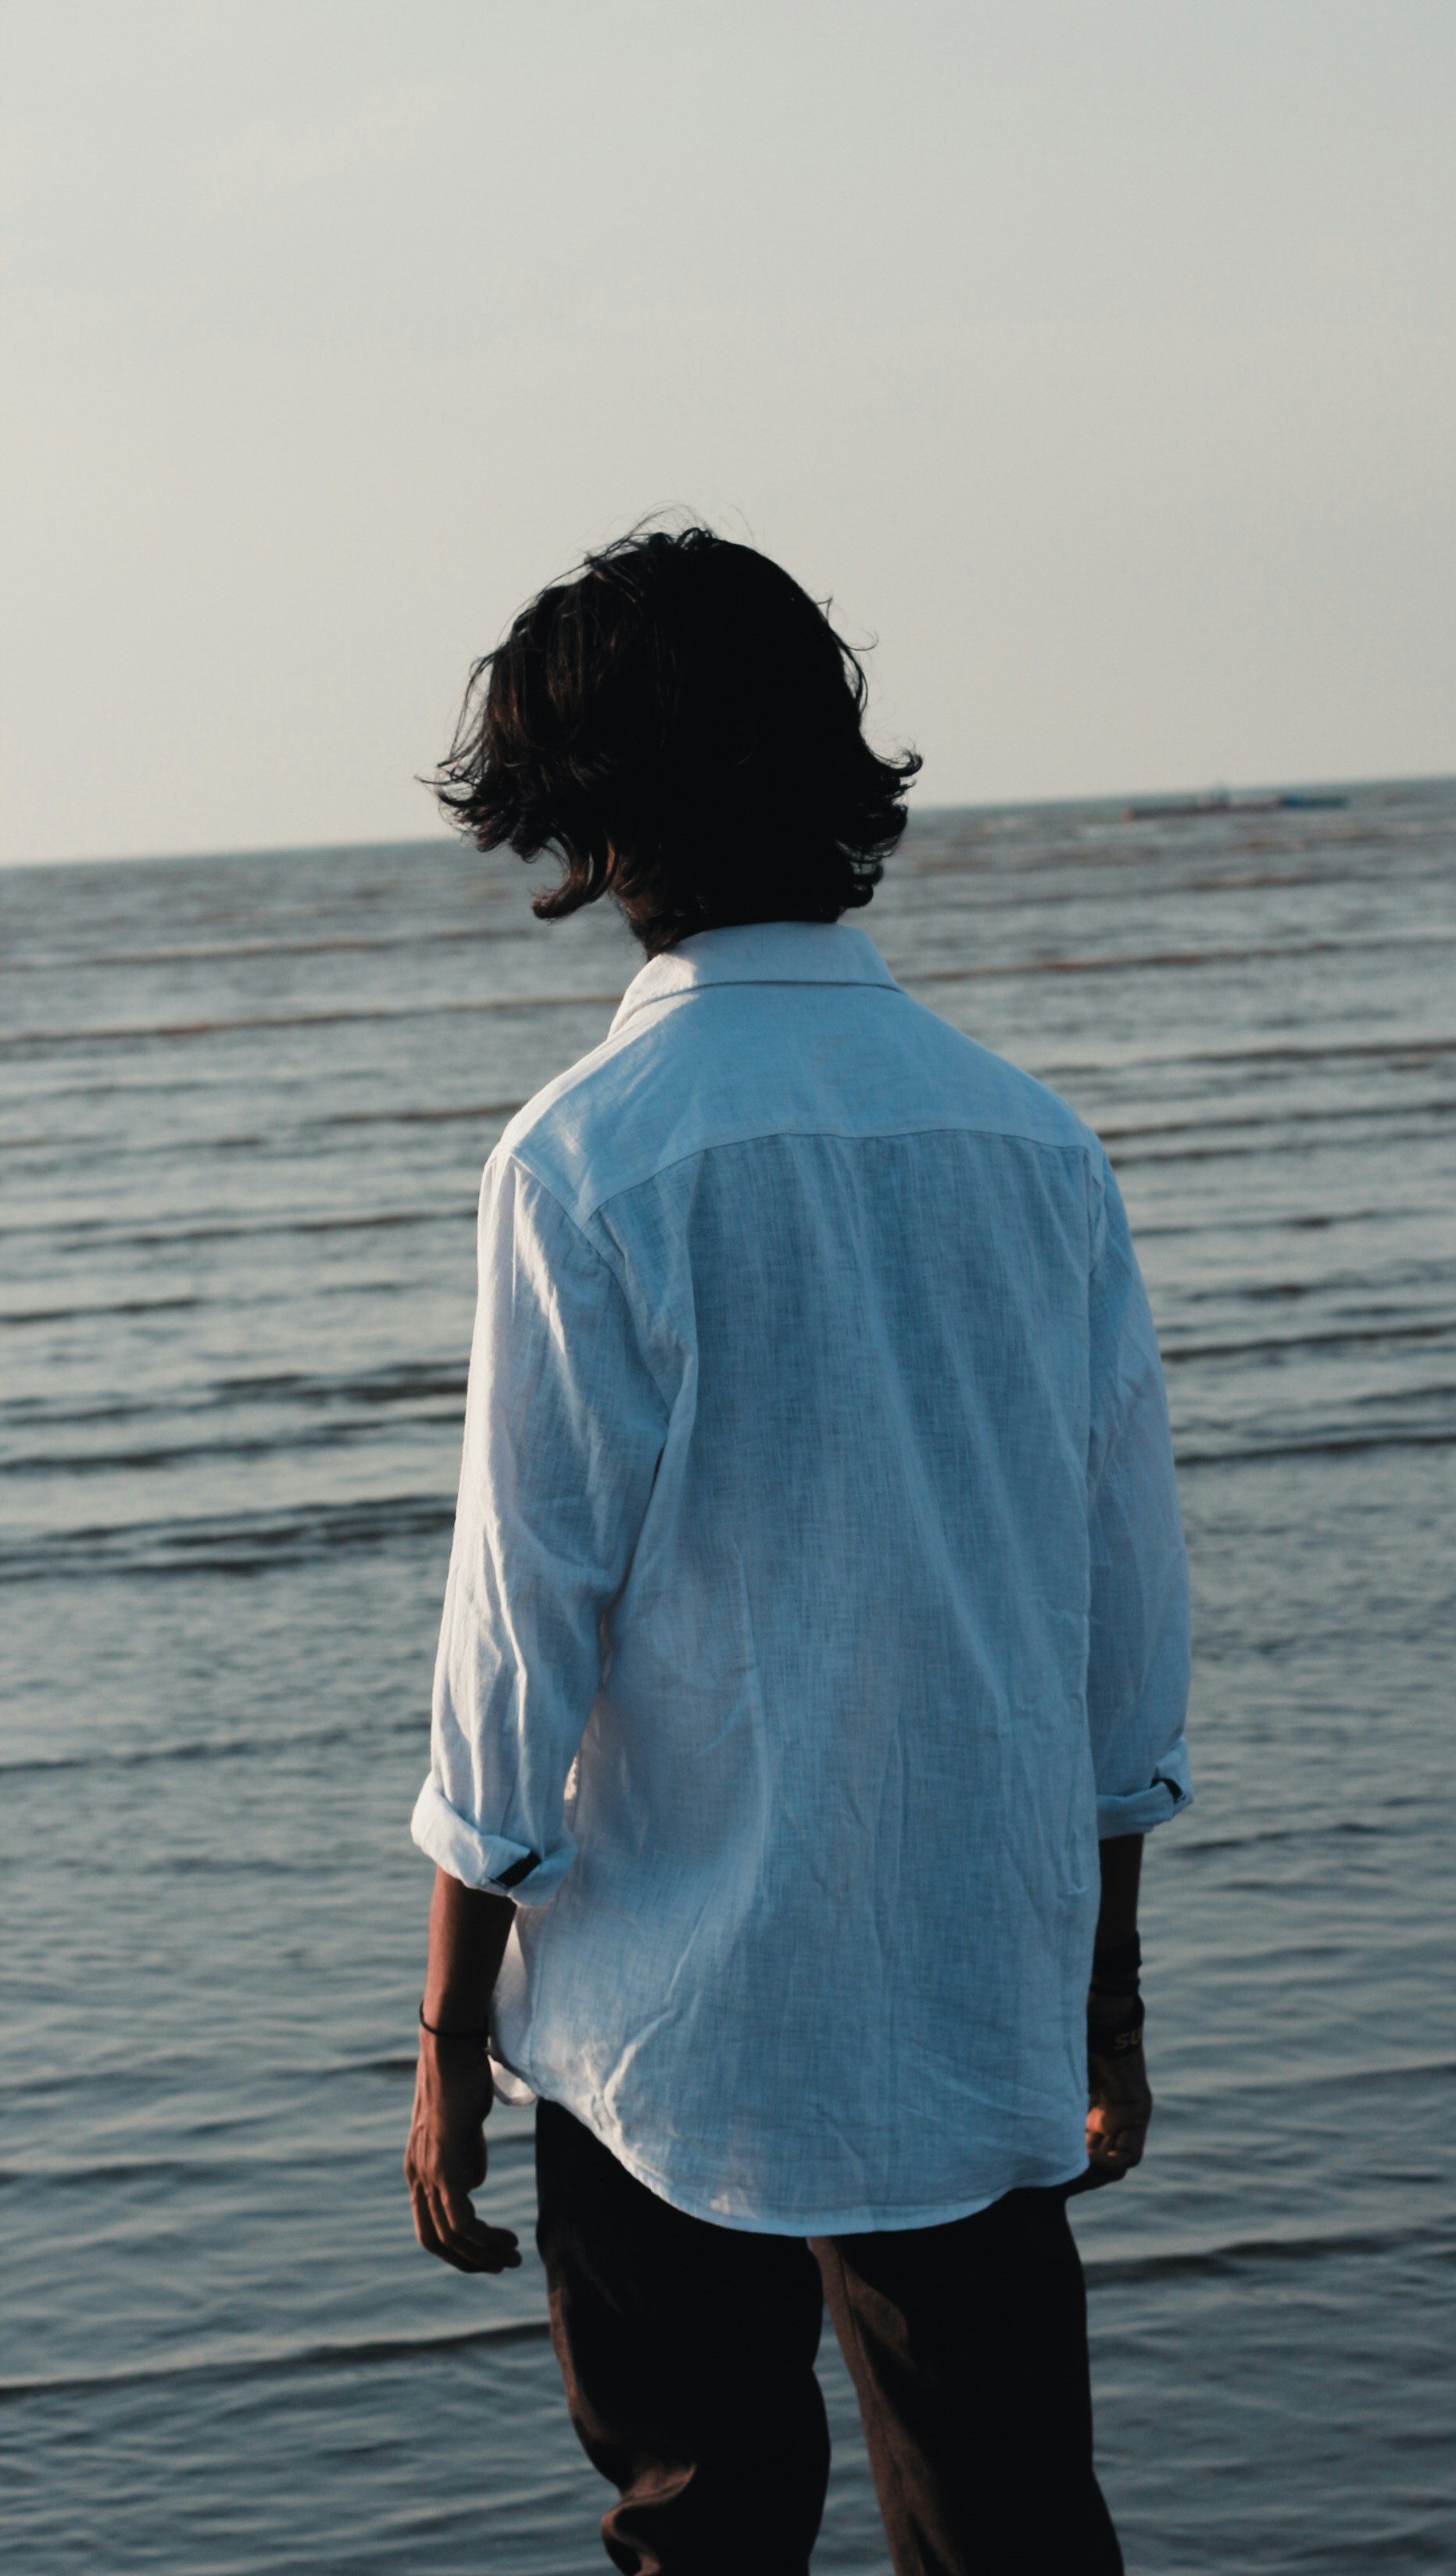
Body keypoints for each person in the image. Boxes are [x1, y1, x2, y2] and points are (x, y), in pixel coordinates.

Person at [403, 526, 1191, 2576]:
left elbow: (519, 1644)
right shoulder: (1034, 1145)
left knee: (700, 2523)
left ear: (589, 817)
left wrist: (442, 2051)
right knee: (1012, 2529)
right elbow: (1122, 1629)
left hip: (668, 2024)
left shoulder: (584, 1160)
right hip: (962, 1984)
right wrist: (1103, 2005)